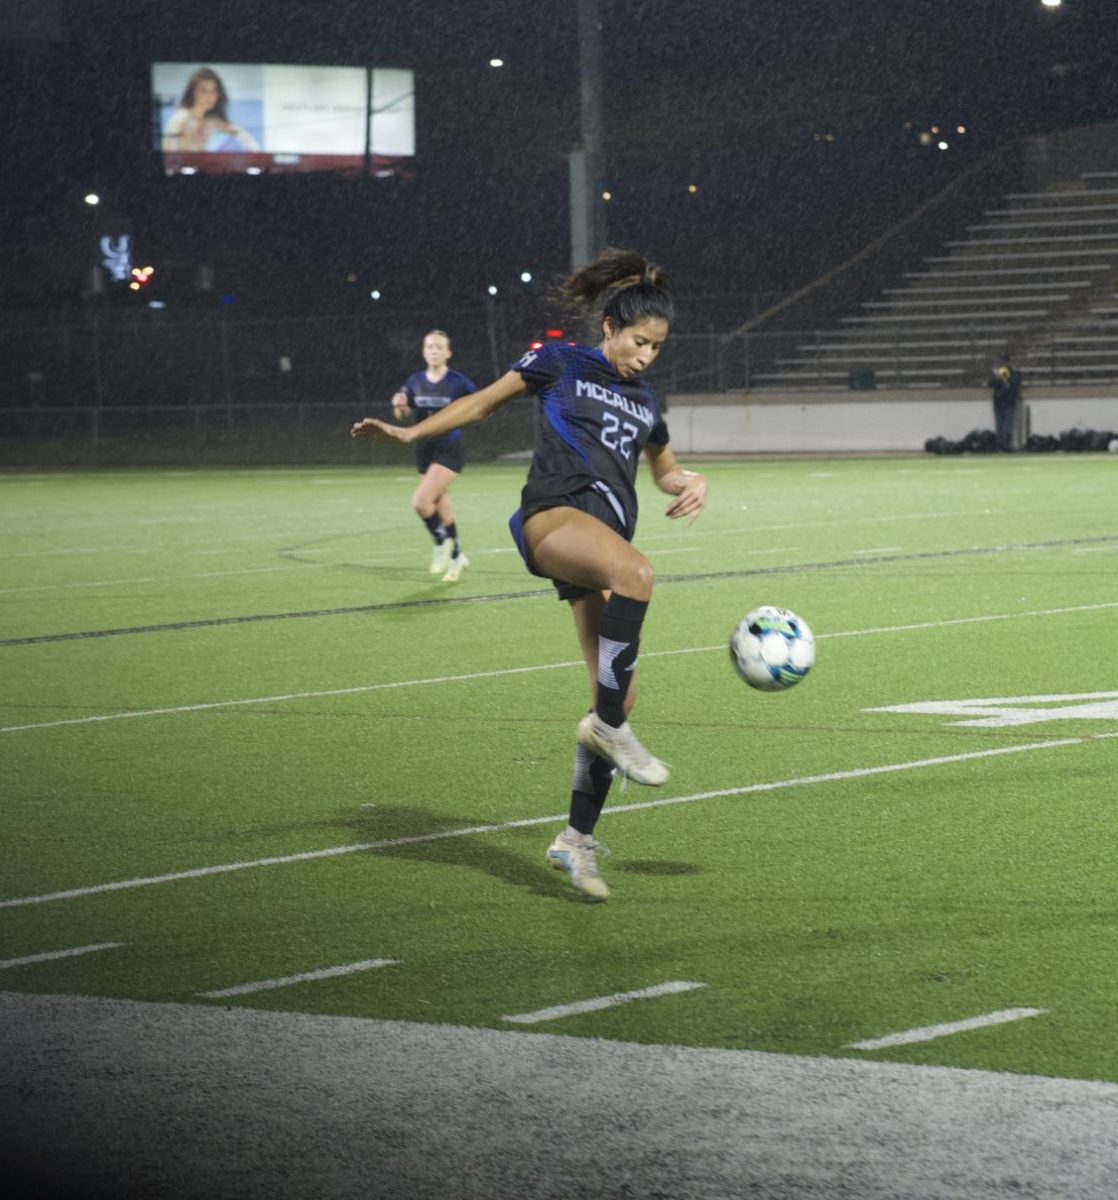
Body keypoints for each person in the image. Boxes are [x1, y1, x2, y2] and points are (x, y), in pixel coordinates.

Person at [352, 248, 708, 900]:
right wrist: (409, 437)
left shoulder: (648, 401)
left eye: (657, 347)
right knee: (639, 574)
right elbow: (481, 405)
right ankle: (608, 730)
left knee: (617, 694)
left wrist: (688, 482)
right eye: (638, 341)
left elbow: (663, 469)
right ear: (609, 327)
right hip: (553, 518)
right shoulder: (559, 362)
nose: (646, 356)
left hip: (598, 542)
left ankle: (575, 840)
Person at [390, 330, 478, 582]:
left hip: (448, 450)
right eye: (429, 347)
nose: (434, 351)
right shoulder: (414, 381)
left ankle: (441, 542)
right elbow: (404, 415)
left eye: (439, 347)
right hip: (423, 451)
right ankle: (457, 555)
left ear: (448, 352)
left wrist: (460, 419)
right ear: (423, 351)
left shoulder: (458, 382)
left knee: (421, 502)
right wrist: (400, 407)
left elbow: (480, 404)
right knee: (440, 504)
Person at [162, 67, 260, 153]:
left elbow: (239, 132)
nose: (210, 96)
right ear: (193, 92)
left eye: (214, 91)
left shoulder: (209, 121)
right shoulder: (181, 117)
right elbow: (167, 150)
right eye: (204, 91)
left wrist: (256, 153)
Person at [989, 352, 1022, 452]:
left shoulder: (1013, 372)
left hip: (1009, 403)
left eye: (1004, 361)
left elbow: (1016, 383)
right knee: (999, 427)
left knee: (1008, 427)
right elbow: (990, 384)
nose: (1002, 363)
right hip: (998, 403)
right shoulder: (996, 373)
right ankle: (1000, 446)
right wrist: (997, 377)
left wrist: (1006, 378)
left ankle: (1006, 446)